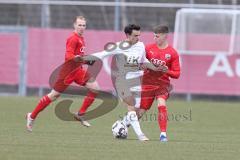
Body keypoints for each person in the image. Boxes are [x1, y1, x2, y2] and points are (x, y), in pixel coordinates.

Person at [82, 24, 160, 141]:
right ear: (128, 35)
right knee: (131, 107)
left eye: (139, 35)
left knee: (137, 111)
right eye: (135, 35)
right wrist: (84, 58)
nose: (137, 38)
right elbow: (102, 54)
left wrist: (155, 68)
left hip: (137, 81)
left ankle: (120, 125)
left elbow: (144, 60)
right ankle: (141, 135)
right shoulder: (119, 46)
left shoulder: (140, 45)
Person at [26, 16, 99, 132]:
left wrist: (85, 60)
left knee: (95, 88)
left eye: (84, 25)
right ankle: (32, 116)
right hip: (68, 72)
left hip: (78, 71)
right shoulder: (73, 38)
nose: (82, 27)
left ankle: (80, 113)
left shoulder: (81, 39)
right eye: (79, 25)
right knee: (53, 96)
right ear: (74, 25)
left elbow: (78, 57)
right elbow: (68, 56)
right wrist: (84, 60)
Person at [137, 25, 181, 142]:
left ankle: (163, 134)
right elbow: (140, 62)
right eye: (154, 36)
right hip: (147, 83)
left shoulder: (172, 53)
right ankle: (123, 126)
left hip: (162, 85)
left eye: (157, 36)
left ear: (164, 36)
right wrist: (141, 66)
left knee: (161, 103)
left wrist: (168, 71)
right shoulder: (147, 48)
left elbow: (177, 74)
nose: (154, 38)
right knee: (140, 112)